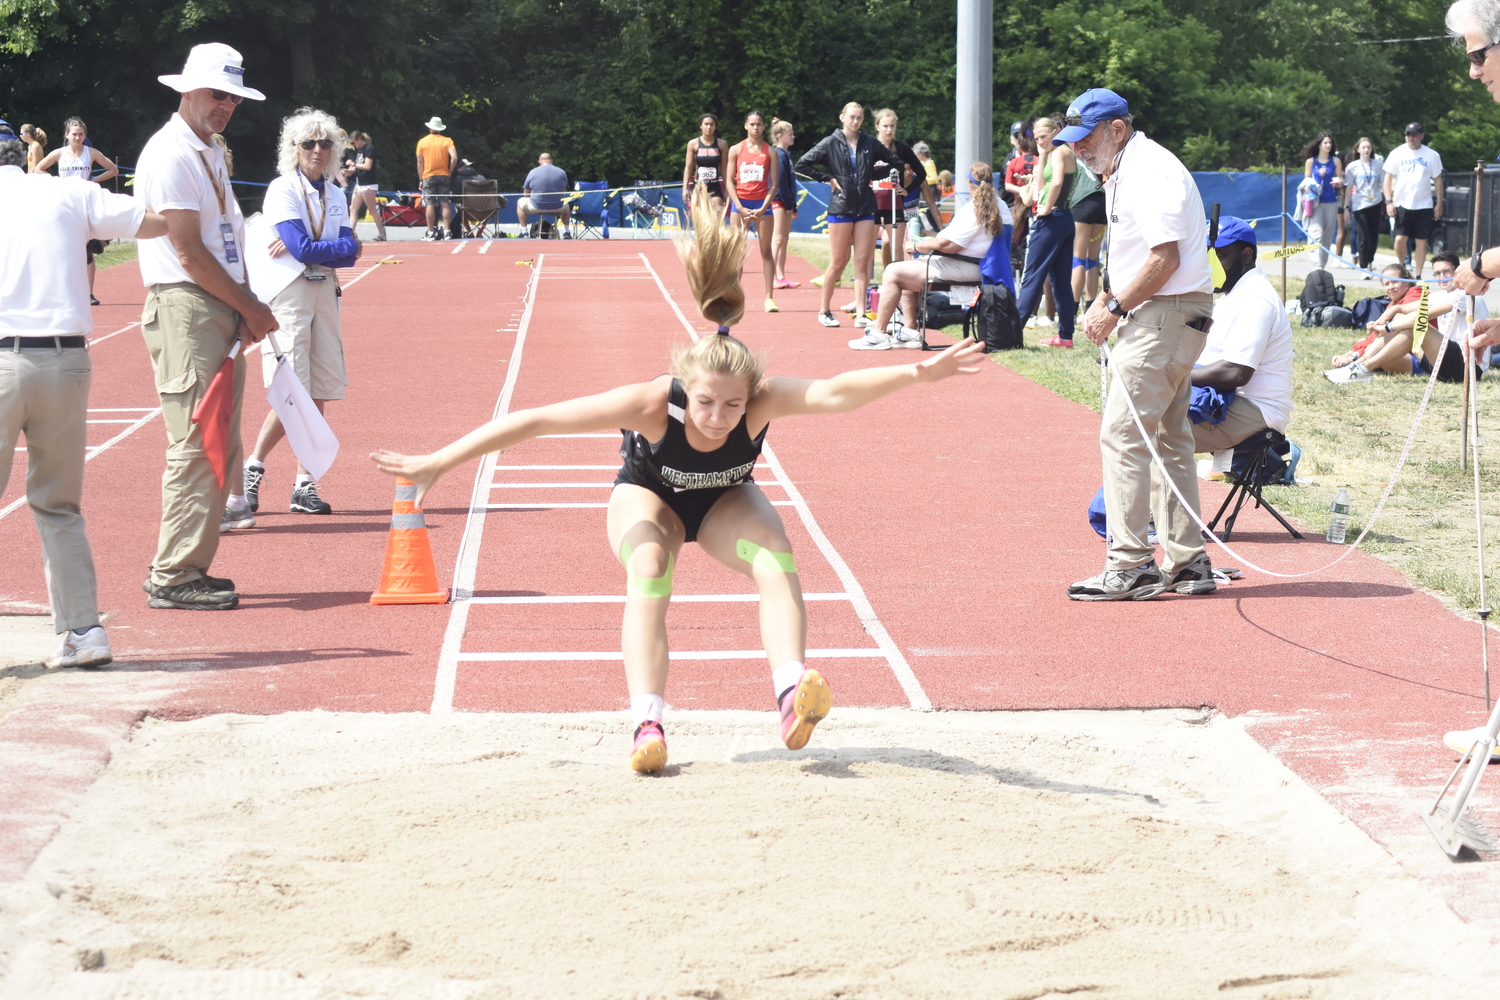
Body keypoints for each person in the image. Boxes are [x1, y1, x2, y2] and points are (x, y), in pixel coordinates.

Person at [368, 186, 985, 773]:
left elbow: (834, 394)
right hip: (651, 502)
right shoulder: (650, 405)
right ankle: (647, 725)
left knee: (774, 558)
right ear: (684, 392)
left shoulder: (763, 399)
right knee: (650, 573)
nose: (719, 419)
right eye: (706, 405)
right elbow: (536, 421)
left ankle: (791, 690)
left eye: (733, 407)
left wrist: (916, 375)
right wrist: (438, 462)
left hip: (722, 508)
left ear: (750, 397)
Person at [0, 138, 169, 667]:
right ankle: (83, 630)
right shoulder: (68, 192)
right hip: (67, 361)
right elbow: (154, 221)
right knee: (59, 506)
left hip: (3, 358)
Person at [133, 42, 278, 611]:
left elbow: (221, 241)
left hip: (212, 306)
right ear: (188, 90)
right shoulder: (172, 153)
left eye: (235, 97)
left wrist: (242, 306)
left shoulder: (208, 149)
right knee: (196, 442)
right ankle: (172, 573)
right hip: (188, 305)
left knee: (218, 441)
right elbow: (188, 251)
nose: (227, 106)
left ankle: (188, 565)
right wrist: (249, 305)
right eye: (219, 94)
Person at [1058, 88, 1216, 601]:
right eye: (1072, 141)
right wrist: (1109, 297)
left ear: (1117, 130)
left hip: (1162, 314)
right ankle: (1187, 562)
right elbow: (1147, 257)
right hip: (1167, 312)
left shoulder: (1147, 169)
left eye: (1085, 139)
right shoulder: (1130, 168)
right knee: (1169, 441)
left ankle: (1130, 564)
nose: (1077, 149)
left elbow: (1164, 258)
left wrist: (1114, 306)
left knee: (1124, 436)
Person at [243, 107, 361, 519]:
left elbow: (351, 252)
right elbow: (313, 249)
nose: (317, 149)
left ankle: (304, 484)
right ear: (293, 148)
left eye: (324, 143)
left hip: (325, 291)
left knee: (320, 387)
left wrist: (320, 248)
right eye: (308, 143)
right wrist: (329, 248)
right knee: (292, 389)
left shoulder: (335, 193)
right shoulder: (282, 188)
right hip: (290, 293)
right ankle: (254, 466)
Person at [858, 161, 1009, 351]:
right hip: (983, 267)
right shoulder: (1001, 206)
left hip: (967, 267)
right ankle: (909, 331)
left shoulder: (975, 209)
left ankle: (879, 334)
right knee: (907, 270)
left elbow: (948, 245)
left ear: (969, 184)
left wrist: (917, 245)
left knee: (893, 271)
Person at [1190, 217, 1293, 452]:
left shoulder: (1254, 298)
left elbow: (1236, 372)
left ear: (1246, 256)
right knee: (1146, 410)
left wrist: (1171, 376)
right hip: (1226, 398)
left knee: (1151, 426)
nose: (1210, 265)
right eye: (1206, 256)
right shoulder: (1236, 293)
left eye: (1219, 256)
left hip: (1255, 410)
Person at [795, 102, 898, 329]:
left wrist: (873, 172)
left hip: (865, 207)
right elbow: (802, 164)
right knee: (838, 262)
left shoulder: (869, 142)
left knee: (863, 262)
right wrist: (828, 179)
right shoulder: (831, 142)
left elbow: (894, 162)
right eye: (851, 117)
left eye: (859, 118)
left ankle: (861, 313)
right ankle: (824, 311)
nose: (855, 121)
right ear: (842, 117)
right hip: (841, 207)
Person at [1326, 258, 1486, 383]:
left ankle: (1362, 367)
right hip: (1439, 361)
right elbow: (1401, 311)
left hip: (1467, 367)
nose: (1441, 277)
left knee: (1415, 327)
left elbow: (1421, 316)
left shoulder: (1466, 295)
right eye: (1437, 274)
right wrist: (1389, 313)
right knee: (1387, 354)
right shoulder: (1443, 296)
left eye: (1446, 272)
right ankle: (1359, 366)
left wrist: (1388, 326)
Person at [34, 118, 121, 305]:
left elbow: (113, 170)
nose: (78, 137)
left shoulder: (91, 153)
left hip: (85, 204)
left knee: (88, 251)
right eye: (74, 134)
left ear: (85, 136)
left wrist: (92, 182)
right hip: (65, 204)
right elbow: (37, 169)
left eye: (81, 134)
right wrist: (55, 181)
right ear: (67, 135)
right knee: (62, 248)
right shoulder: (59, 153)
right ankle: (62, 292)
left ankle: (89, 294)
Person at [1016, 116, 1078, 348]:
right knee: (1060, 281)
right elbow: (1040, 186)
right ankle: (1065, 336)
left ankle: (1013, 330)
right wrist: (1041, 156)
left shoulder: (1061, 151)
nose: (1041, 141)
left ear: (1056, 132)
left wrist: (1046, 208)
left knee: (1032, 275)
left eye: (1045, 137)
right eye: (1037, 138)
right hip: (1061, 220)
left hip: (1054, 219)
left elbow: (1057, 183)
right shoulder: (1051, 154)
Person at [870, 109, 941, 270]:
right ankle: (868, 291)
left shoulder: (902, 149)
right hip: (872, 205)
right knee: (868, 251)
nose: (889, 130)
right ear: (877, 126)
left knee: (897, 250)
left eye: (892, 126)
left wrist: (907, 190)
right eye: (885, 126)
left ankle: (897, 286)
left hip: (895, 205)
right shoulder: (869, 147)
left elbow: (922, 173)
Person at [725, 111, 780, 313]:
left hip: (762, 205)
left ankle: (769, 298)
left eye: (759, 124)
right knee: (737, 252)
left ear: (764, 127)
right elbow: (730, 181)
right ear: (746, 126)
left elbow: (774, 184)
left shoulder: (770, 152)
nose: (755, 128)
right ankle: (734, 296)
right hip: (740, 204)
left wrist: (763, 207)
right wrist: (739, 207)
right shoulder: (735, 150)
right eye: (752, 124)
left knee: (766, 251)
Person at [1383, 123, 1444, 278]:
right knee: (1399, 239)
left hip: (1423, 204)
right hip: (1402, 203)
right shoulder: (1397, 153)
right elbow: (1388, 178)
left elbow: (1437, 179)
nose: (1411, 137)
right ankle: (1402, 267)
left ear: (1421, 135)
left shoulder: (1432, 155)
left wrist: (1439, 203)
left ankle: (1418, 275)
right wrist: (1388, 201)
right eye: (1408, 134)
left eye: (1414, 134)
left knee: (1421, 241)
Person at [1301, 132, 1344, 268]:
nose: (1328, 145)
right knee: (1316, 233)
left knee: (1327, 234)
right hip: (1315, 202)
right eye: (1325, 143)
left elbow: (1341, 180)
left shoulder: (1335, 161)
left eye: (1330, 143)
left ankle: (1322, 265)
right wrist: (1310, 185)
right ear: (1319, 145)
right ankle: (1317, 263)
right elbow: (1306, 180)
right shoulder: (1311, 161)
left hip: (1331, 201)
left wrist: (1339, 183)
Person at [1343, 137, 1385, 269]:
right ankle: (1364, 265)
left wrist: (1389, 199)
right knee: (1363, 236)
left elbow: (1383, 183)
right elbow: (1349, 187)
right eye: (1364, 147)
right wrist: (1346, 207)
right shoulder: (1352, 166)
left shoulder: (1378, 164)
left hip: (1376, 203)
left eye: (1368, 147)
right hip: (1360, 205)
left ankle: (1370, 261)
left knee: (1373, 236)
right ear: (1358, 149)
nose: (1366, 150)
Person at [1070, 158, 1106, 308]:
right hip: (1102, 200)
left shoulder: (1064, 157)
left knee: (1078, 259)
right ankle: (1091, 307)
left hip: (1083, 202)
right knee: (1092, 259)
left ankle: (1071, 309)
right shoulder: (1088, 159)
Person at [769, 118, 800, 290]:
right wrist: (789, 204)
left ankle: (781, 276)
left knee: (784, 239)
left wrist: (793, 205)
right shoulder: (778, 155)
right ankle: (773, 275)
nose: (793, 136)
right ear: (780, 136)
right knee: (778, 238)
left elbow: (790, 182)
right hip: (779, 200)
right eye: (790, 134)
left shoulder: (787, 155)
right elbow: (780, 182)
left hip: (787, 202)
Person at [415, 116, 456, 241]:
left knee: (430, 204)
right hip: (444, 174)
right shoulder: (447, 141)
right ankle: (447, 231)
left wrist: (421, 178)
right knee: (445, 203)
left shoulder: (422, 142)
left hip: (428, 175)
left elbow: (419, 162)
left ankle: (431, 231)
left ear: (430, 128)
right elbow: (454, 157)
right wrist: (449, 171)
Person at [682, 114, 728, 216]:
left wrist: (727, 189)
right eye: (706, 124)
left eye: (711, 125)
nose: (708, 127)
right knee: (701, 220)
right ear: (701, 126)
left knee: (716, 218)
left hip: (715, 186)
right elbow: (689, 168)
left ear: (715, 127)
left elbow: (724, 168)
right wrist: (685, 188)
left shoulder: (722, 144)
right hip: (699, 186)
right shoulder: (693, 144)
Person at [346, 131, 386, 241]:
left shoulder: (369, 149)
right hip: (360, 183)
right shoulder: (359, 150)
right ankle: (351, 233)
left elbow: (367, 166)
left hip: (369, 183)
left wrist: (353, 164)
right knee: (353, 208)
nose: (353, 145)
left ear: (359, 139)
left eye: (354, 143)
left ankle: (382, 234)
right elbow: (359, 166)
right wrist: (349, 171)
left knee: (371, 209)